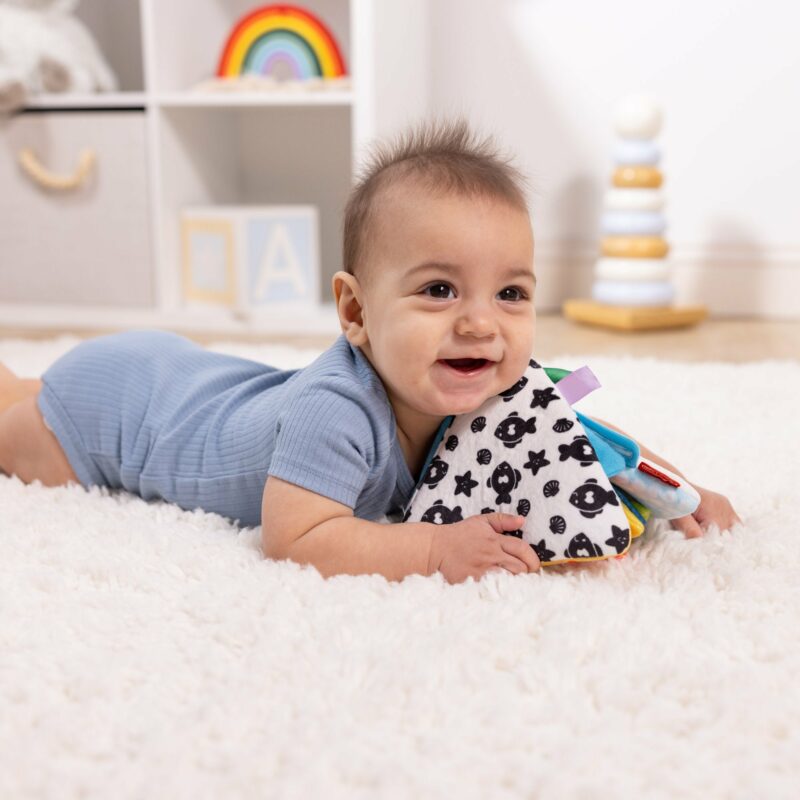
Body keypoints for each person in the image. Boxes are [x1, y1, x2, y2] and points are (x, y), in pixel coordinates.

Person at [0, 119, 740, 584]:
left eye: (511, 294)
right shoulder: (338, 409)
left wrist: (676, 493)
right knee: (14, 419)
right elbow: (299, 537)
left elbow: (579, 443)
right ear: (355, 311)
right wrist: (430, 552)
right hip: (116, 416)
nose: (483, 326)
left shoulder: (483, 381)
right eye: (440, 291)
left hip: (186, 375)